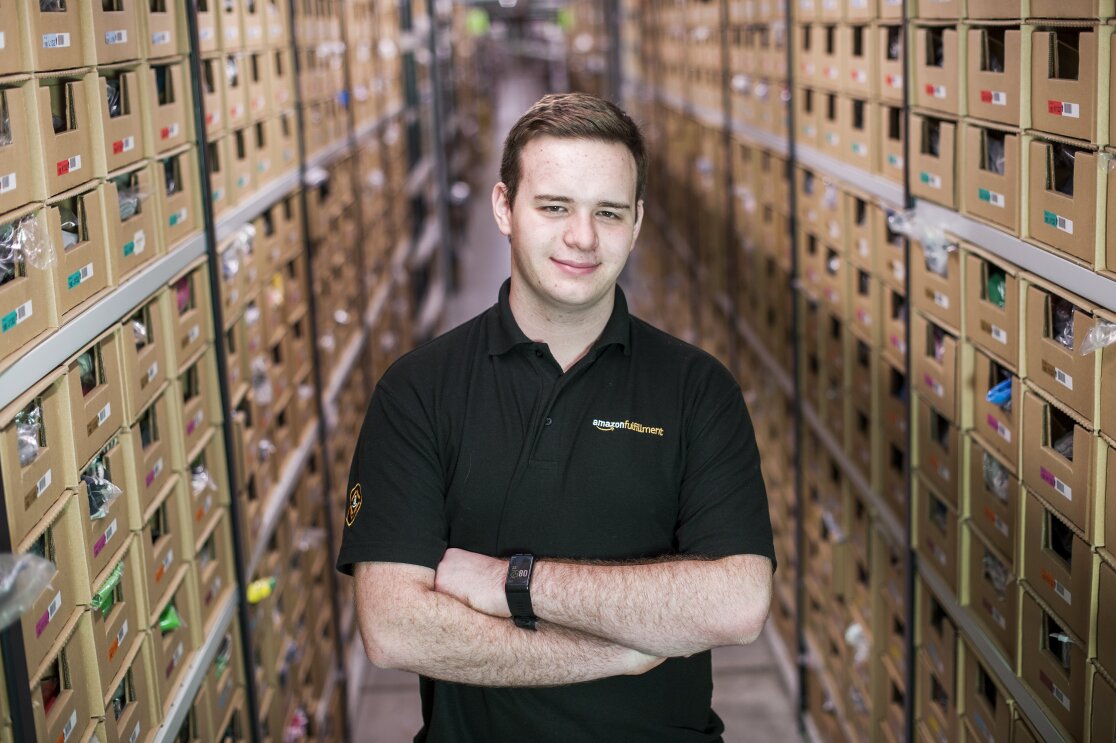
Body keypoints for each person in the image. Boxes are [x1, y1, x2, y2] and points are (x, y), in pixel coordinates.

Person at [336, 92, 775, 742]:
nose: (583, 237)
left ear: (638, 221)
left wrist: (508, 579)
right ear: (503, 208)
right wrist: (618, 650)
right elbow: (395, 628)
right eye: (554, 207)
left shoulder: (697, 389)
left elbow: (737, 604)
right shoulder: (418, 391)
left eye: (608, 212)